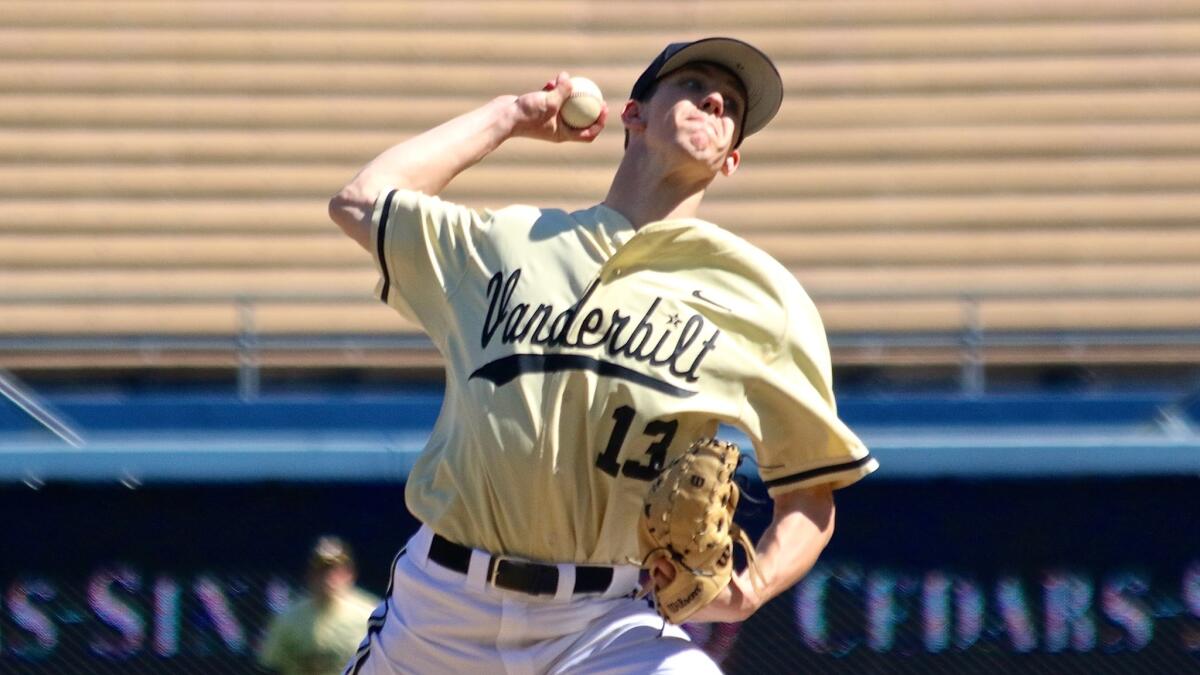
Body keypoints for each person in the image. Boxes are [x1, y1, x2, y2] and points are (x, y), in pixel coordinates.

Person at [328, 36, 877, 674]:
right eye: (694, 85)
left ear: (730, 161)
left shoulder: (763, 299)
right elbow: (362, 200)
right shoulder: (512, 243)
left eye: (731, 110)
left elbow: (811, 494)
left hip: (610, 623)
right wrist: (509, 115)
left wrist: (751, 588)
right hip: (442, 610)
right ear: (633, 114)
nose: (716, 102)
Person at [259, 536, 380, 675]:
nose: (328, 577)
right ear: (310, 574)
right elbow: (271, 665)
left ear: (349, 573)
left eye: (335, 569)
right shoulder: (288, 618)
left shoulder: (372, 615)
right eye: (321, 570)